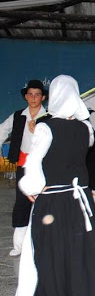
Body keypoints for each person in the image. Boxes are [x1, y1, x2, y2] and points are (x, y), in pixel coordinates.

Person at [13, 75, 95, 296]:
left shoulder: (45, 128)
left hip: (53, 202)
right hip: (80, 203)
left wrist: (31, 188)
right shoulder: (85, 129)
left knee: (50, 255)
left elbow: (33, 164)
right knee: (78, 253)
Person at [0, 79, 47, 257]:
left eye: (37, 95)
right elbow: (2, 131)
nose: (33, 98)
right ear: (26, 97)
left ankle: (43, 242)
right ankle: (19, 245)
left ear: (42, 97)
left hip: (44, 165)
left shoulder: (49, 117)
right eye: (30, 94)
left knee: (43, 201)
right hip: (23, 164)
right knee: (22, 202)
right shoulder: (18, 116)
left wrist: (37, 131)